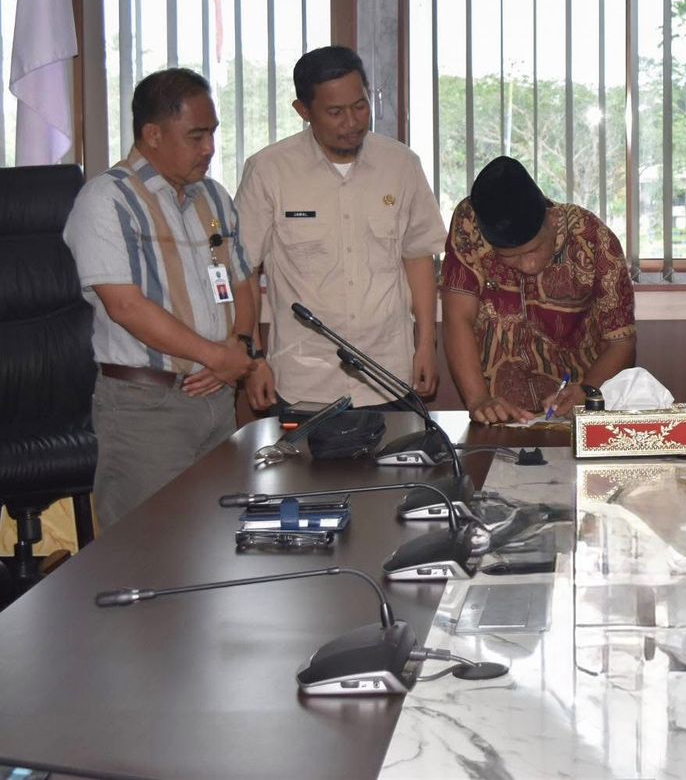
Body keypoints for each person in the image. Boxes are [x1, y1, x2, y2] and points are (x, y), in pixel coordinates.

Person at [63, 68, 263, 527]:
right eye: (196, 136)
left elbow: (241, 280)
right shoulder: (107, 200)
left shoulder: (213, 197)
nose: (209, 148)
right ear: (153, 134)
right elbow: (126, 306)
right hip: (146, 408)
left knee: (220, 540)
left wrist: (240, 345)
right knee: (147, 547)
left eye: (212, 133)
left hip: (217, 398)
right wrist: (216, 356)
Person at [236, 46, 446, 412]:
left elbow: (417, 257)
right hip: (304, 381)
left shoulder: (401, 165)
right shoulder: (269, 171)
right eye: (335, 112)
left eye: (360, 106)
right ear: (303, 111)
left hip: (389, 376)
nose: (352, 122)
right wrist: (254, 358)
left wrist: (426, 343)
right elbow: (244, 270)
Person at [442, 156, 637, 423]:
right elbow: (457, 317)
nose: (528, 265)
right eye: (510, 257)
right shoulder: (470, 223)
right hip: (500, 413)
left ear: (553, 219)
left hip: (577, 408)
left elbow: (620, 341)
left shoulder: (592, 238)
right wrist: (478, 399)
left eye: (534, 249)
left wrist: (587, 391)